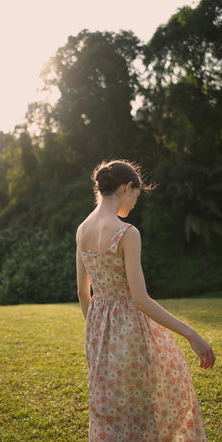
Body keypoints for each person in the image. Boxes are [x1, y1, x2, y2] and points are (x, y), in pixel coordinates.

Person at [76, 159, 215, 442]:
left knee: (109, 410)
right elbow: (140, 300)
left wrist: (96, 331)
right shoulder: (127, 233)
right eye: (136, 195)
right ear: (127, 187)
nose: (135, 203)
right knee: (147, 406)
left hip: (97, 330)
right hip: (132, 330)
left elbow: (82, 292)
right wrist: (192, 334)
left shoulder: (82, 230)